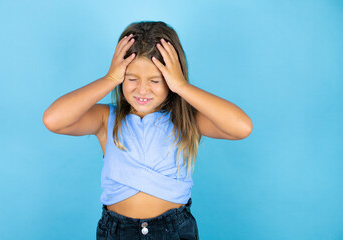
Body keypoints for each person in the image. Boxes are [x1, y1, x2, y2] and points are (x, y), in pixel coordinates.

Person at [43, 20, 252, 240]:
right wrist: (109, 79)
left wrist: (182, 86)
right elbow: (53, 120)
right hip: (118, 231)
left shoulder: (186, 120)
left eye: (155, 80)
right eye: (132, 79)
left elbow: (242, 127)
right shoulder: (107, 119)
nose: (142, 89)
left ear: (171, 79)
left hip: (174, 230)